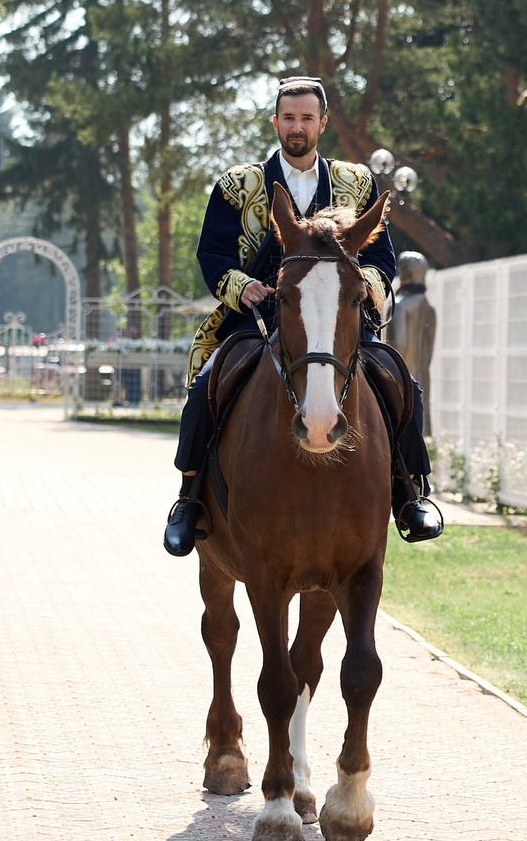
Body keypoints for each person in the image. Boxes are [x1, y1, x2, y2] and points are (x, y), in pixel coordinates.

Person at [163, 77, 445, 556]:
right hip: (258, 316)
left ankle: (410, 492)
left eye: (307, 118)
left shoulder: (357, 182)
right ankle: (189, 499)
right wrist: (242, 286)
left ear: (323, 123)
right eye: (289, 118)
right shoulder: (236, 185)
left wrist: (365, 289)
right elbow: (212, 254)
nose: (298, 127)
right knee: (206, 385)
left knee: (404, 383)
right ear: (276, 122)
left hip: (338, 319)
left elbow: (382, 259)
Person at [386, 251, 436, 387]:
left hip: (401, 380)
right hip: (423, 378)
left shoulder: (398, 305)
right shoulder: (429, 308)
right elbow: (429, 351)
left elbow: (398, 347)